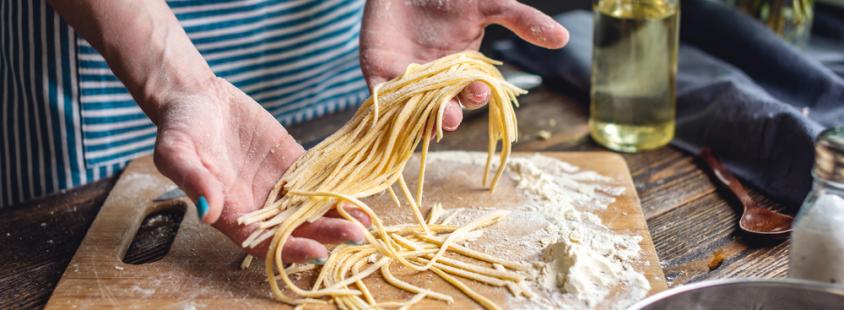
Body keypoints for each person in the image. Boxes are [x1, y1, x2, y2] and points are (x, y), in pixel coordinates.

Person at [0, 0, 568, 264]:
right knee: (71, 240)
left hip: (328, 50)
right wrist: (178, 83)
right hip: (112, 56)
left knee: (338, 188)